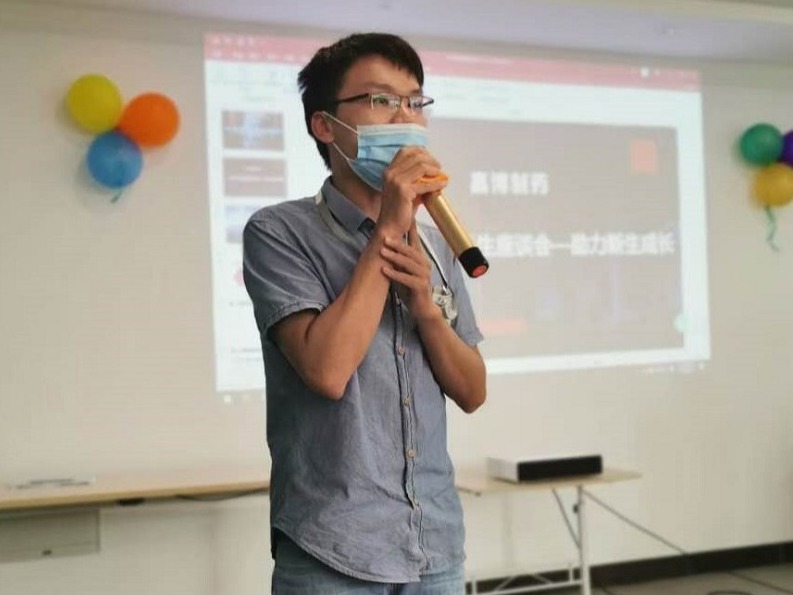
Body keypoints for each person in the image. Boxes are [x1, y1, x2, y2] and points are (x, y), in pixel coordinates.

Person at [243, 32, 487, 594]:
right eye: (381, 100)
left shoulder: (437, 243)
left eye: (415, 101)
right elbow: (327, 371)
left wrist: (427, 310)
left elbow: (473, 391)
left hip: (433, 546)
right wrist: (390, 225)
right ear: (325, 125)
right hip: (333, 548)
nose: (405, 117)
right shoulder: (279, 231)